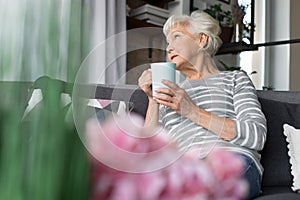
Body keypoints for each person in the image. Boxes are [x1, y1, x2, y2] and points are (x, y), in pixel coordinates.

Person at [138, 11, 266, 200]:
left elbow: (256, 135)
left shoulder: (235, 79)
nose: (169, 48)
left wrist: (192, 111)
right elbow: (147, 153)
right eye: (167, 41)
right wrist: (153, 100)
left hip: (230, 161)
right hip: (184, 168)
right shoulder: (172, 92)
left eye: (176, 37)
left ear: (202, 40)